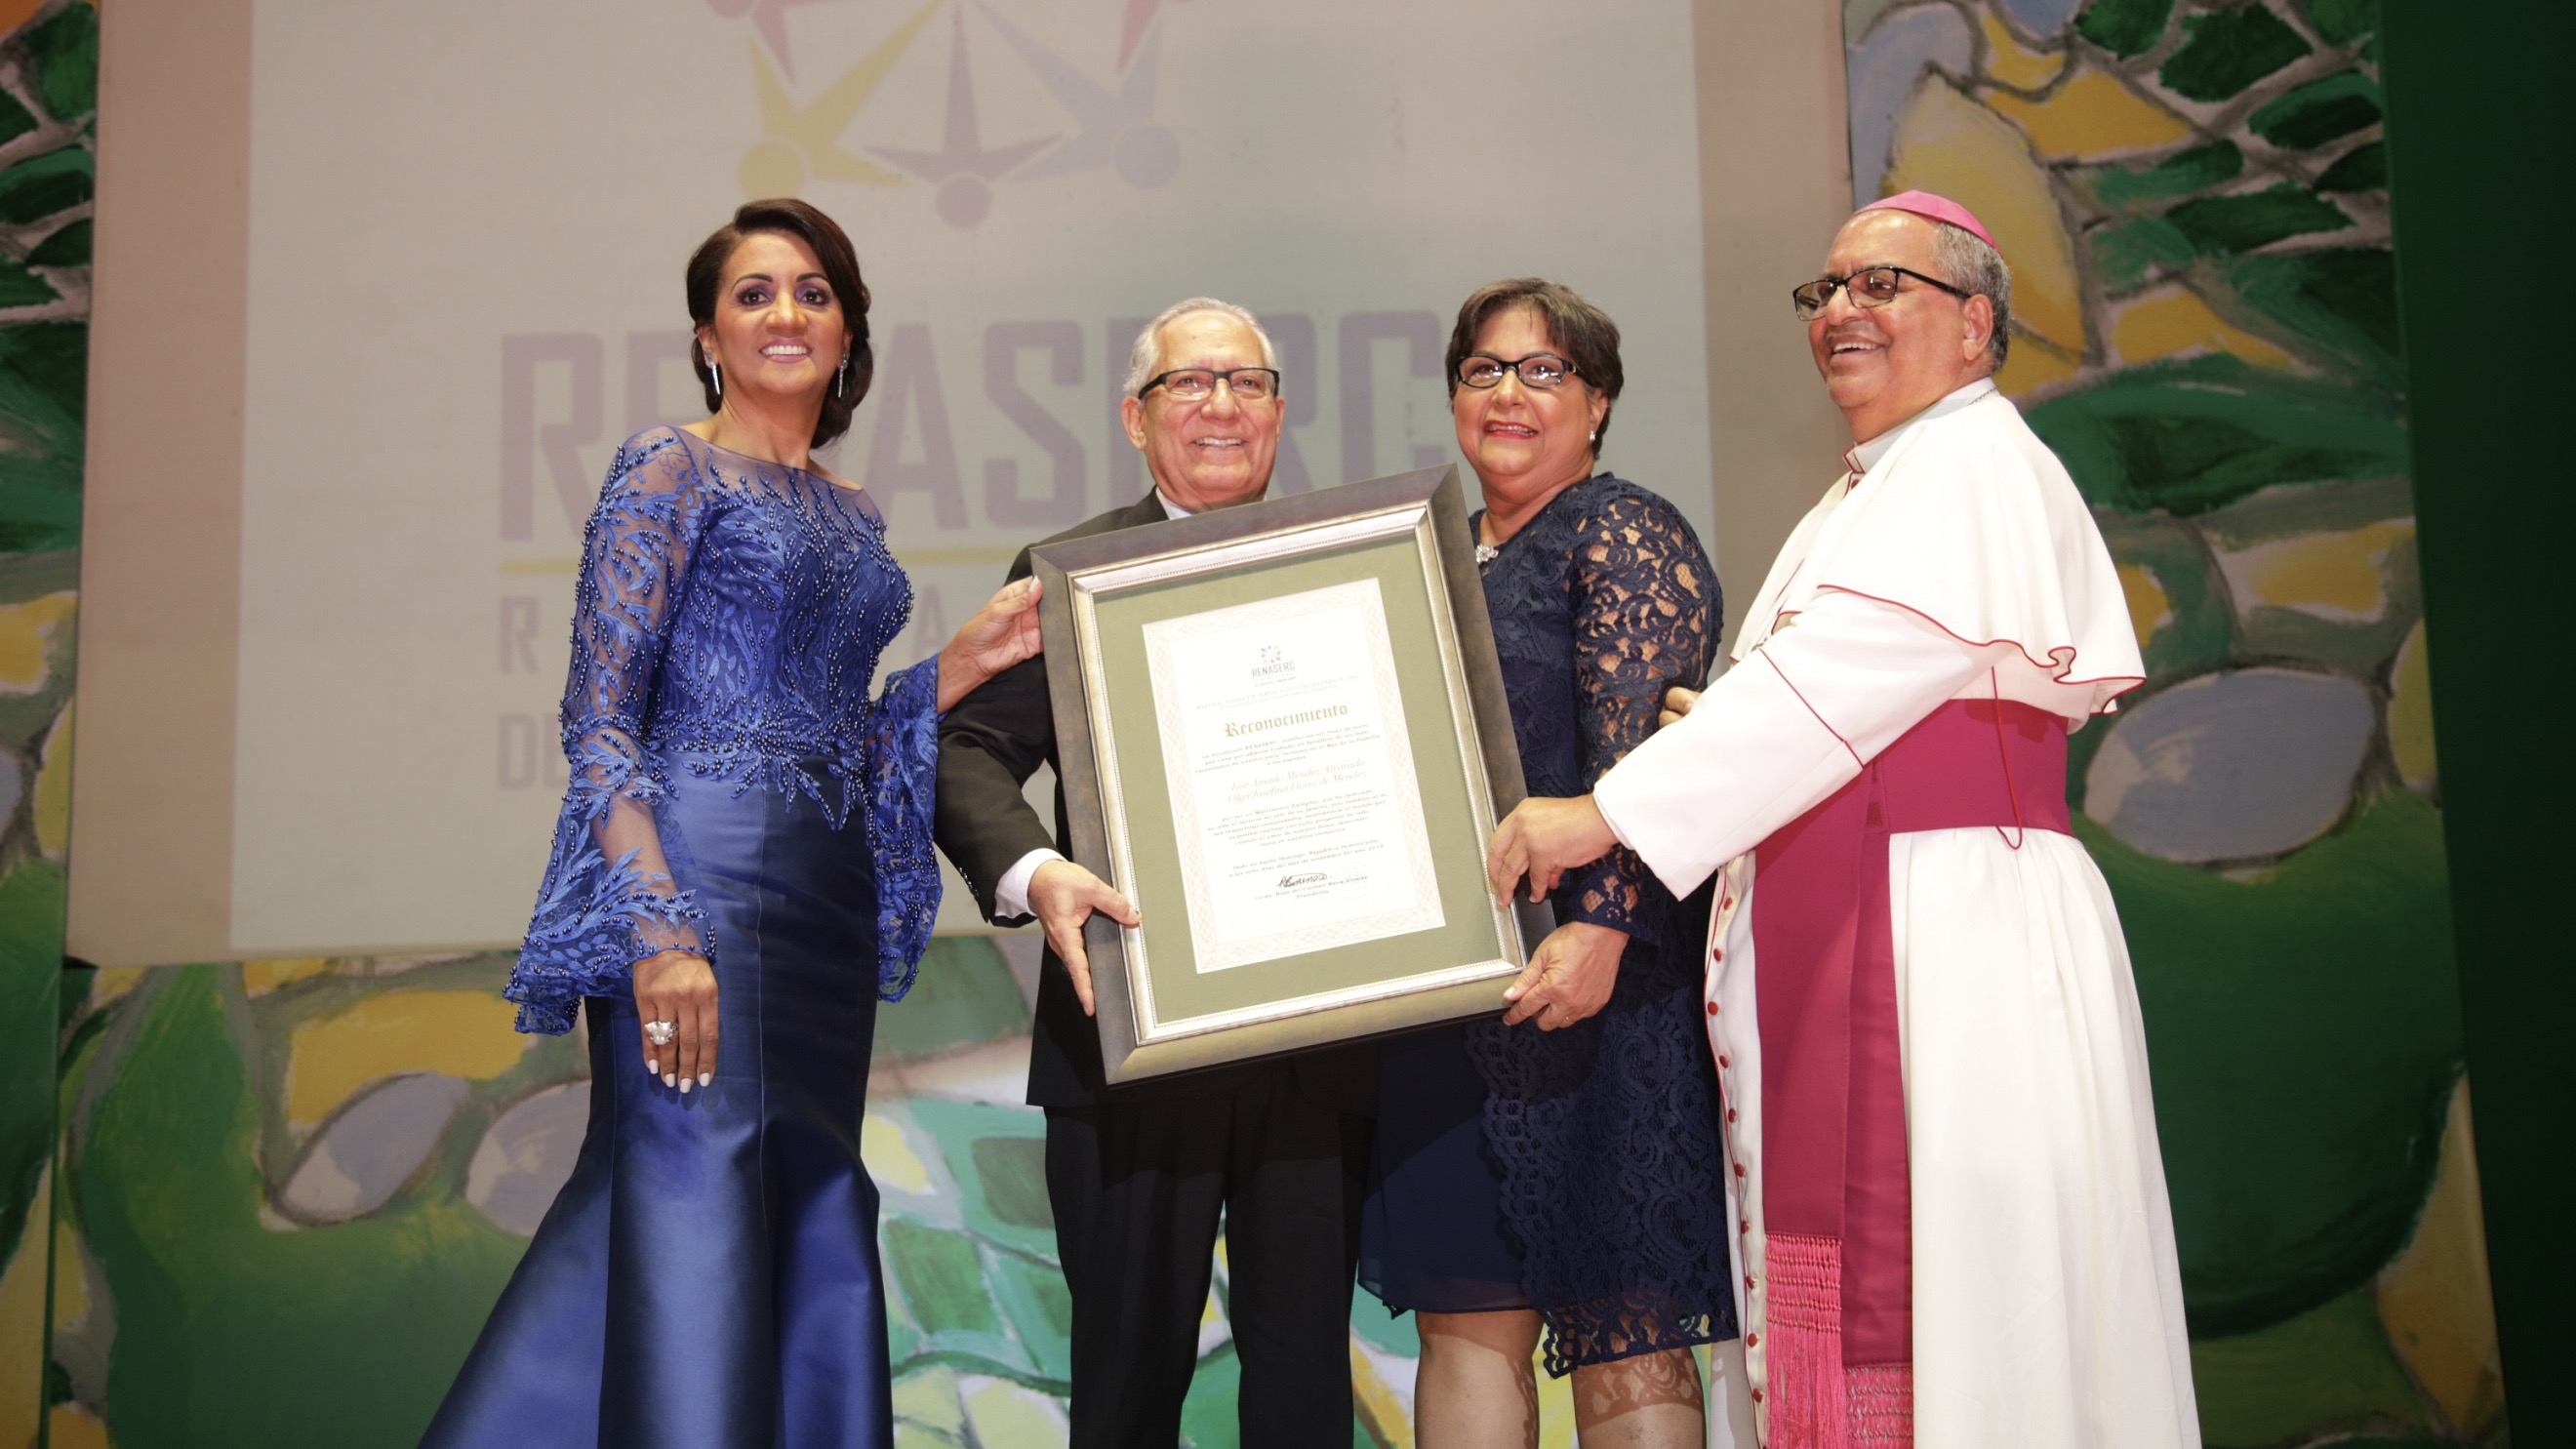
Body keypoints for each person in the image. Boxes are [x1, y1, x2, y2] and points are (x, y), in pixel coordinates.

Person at [1487, 192, 2199, 1447]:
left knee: (1976, 1292)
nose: (1840, 312)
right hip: (1880, 904)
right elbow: (1823, 696)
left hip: (1953, 934)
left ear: (1975, 323)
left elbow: (1837, 683)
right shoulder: (1877, 487)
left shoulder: (1971, 464)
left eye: (1882, 285)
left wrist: (1602, 812)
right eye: (1826, 291)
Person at [422, 199, 1044, 1449]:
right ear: (708, 336)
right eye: (753, 295)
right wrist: (659, 932)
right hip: (698, 887)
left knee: (789, 1195)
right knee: (689, 1193)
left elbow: (839, 739)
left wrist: (957, 666)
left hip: (820, 915)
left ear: (849, 331)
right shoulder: (669, 466)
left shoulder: (852, 509)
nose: (785, 314)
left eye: (814, 292)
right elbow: (600, 720)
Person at [933, 299, 1379, 1449]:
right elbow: (966, 746)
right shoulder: (1073, 575)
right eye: (1190, 383)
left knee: (1304, 1395)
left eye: (1246, 382)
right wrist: (1037, 872)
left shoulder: (1350, 567)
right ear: (1136, 418)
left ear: (1279, 411)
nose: (1221, 405)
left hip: (1313, 1043)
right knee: (1127, 1392)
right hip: (1128, 1031)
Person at [1356, 279, 1745, 1449]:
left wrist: (1603, 932)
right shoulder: (1425, 560)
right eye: (1483, 370)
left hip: (1596, 995)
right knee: (1465, 1326)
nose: (1509, 394)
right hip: (1452, 994)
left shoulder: (1622, 532)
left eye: (1544, 370)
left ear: (1599, 401)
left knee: (1628, 1327)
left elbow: (1642, 767)